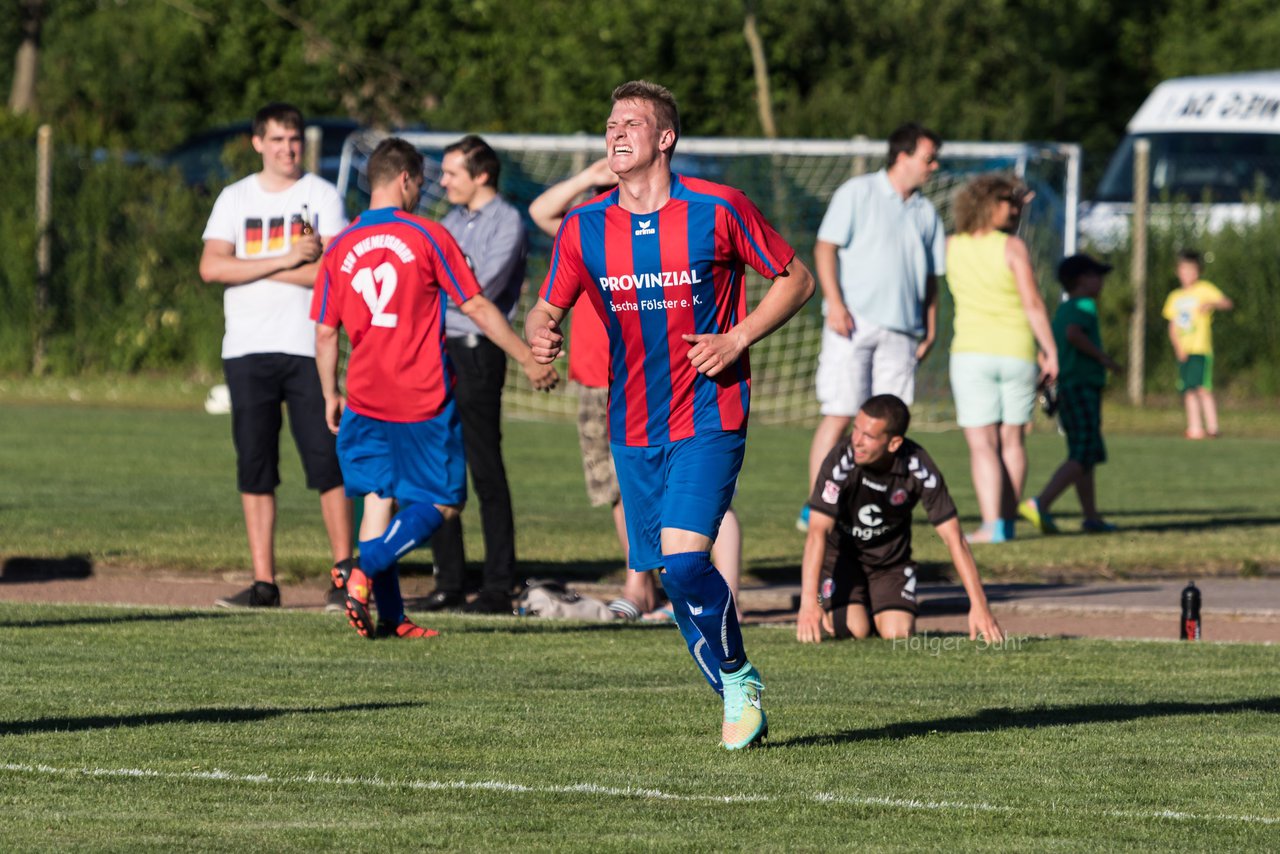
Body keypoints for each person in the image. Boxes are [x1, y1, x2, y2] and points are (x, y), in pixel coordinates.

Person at [525, 80, 815, 749]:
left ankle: (738, 680)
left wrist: (738, 337)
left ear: (665, 138)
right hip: (630, 423)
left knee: (686, 566)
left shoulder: (718, 208)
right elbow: (548, 306)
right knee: (667, 572)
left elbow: (796, 279)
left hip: (711, 414)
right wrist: (544, 331)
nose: (615, 133)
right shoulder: (584, 225)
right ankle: (732, 691)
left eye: (630, 122)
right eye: (608, 124)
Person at [312, 137, 555, 639]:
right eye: (422, 182)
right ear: (404, 179)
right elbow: (477, 306)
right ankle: (362, 567)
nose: (424, 191)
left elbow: (323, 332)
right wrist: (527, 355)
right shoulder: (425, 234)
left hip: (362, 393)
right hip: (419, 396)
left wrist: (329, 393)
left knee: (380, 498)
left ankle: (393, 616)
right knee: (444, 503)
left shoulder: (339, 245)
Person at [527, 158, 743, 622]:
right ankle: (640, 585)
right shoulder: (588, 227)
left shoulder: (681, 223)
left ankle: (727, 597)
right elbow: (541, 215)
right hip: (600, 380)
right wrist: (586, 178)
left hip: (670, 380)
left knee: (700, 498)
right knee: (619, 491)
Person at [198, 102, 354, 609]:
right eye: (278, 139)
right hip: (246, 348)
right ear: (257, 143)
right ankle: (264, 582)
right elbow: (210, 268)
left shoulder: (320, 195)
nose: (288, 149)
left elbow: (332, 274)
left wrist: (250, 263)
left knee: (326, 462)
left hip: (308, 347)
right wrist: (288, 257)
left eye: (294, 140)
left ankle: (344, 574)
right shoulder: (234, 197)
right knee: (256, 464)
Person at [424, 135, 559, 615]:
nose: (443, 181)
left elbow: (473, 291)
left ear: (481, 175)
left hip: (480, 353)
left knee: (485, 468)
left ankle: (499, 584)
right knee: (440, 468)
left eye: (452, 173)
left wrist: (526, 355)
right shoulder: (450, 221)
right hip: (438, 350)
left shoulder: (507, 222)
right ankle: (450, 582)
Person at [800, 123, 946, 532]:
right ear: (902, 156)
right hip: (852, 322)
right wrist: (836, 303)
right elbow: (825, 247)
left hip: (902, 331)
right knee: (841, 413)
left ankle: (877, 506)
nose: (933, 166)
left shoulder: (926, 212)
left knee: (891, 423)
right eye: (928, 158)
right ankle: (818, 505)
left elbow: (932, 278)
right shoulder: (858, 192)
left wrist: (930, 327)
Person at [797, 394, 1004, 644]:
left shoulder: (918, 466)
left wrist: (980, 605)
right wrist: (809, 603)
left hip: (890, 565)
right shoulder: (841, 460)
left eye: (869, 436)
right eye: (856, 430)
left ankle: (882, 603)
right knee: (854, 629)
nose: (857, 442)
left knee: (898, 633)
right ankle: (853, 604)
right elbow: (817, 532)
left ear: (894, 443)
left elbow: (954, 538)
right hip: (842, 561)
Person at [946, 174, 1058, 544]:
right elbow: (1033, 303)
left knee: (982, 444)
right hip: (1017, 352)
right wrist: (1050, 350)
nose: (1012, 210)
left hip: (971, 354)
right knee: (1012, 441)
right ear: (990, 206)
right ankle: (1005, 523)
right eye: (1007, 204)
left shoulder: (951, 246)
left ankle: (992, 524)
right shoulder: (1013, 248)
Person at [1019, 255, 1123, 535]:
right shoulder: (1083, 306)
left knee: (1084, 452)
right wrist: (1104, 359)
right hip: (1081, 386)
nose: (1101, 281)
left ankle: (1091, 516)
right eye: (1095, 275)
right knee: (1083, 452)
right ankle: (1039, 503)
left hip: (1069, 387)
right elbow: (1074, 334)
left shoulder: (1065, 307)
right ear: (1080, 280)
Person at [1162, 249, 1233, 440]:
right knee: (1188, 389)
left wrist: (1211, 304)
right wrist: (1178, 347)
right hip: (1184, 350)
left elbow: (1227, 303)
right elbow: (1173, 326)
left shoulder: (1204, 289)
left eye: (1191, 270)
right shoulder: (1174, 297)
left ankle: (1212, 427)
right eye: (1184, 270)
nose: (1187, 274)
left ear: (1198, 271)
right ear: (1178, 272)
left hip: (1201, 349)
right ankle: (1195, 428)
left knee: (1203, 388)